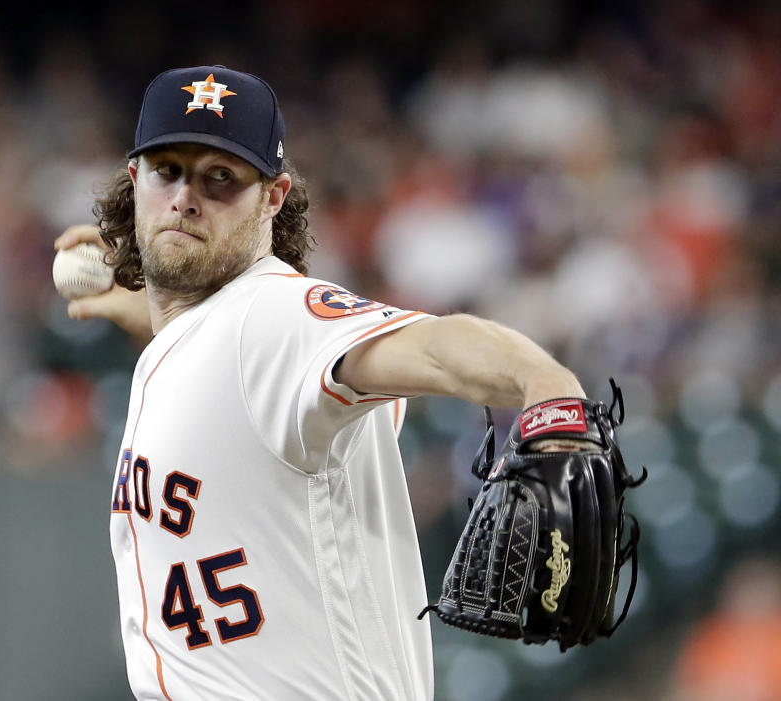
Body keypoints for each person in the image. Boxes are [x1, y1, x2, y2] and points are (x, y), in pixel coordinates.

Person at [55, 65, 585, 701]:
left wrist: (545, 382)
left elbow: (436, 348)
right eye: (168, 168)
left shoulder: (277, 318)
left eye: (220, 176)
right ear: (135, 178)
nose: (186, 197)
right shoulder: (211, 342)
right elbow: (221, 369)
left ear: (273, 199)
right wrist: (142, 310)